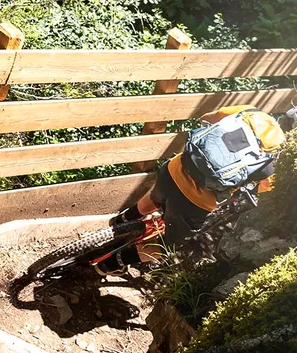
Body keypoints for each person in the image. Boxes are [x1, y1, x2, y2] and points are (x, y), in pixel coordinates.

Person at [95, 104, 287, 275]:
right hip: (194, 203)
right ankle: (108, 265)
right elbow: (264, 189)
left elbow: (206, 118)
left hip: (173, 170)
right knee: (168, 245)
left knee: (154, 198)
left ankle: (120, 221)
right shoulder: (272, 161)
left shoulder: (250, 113)